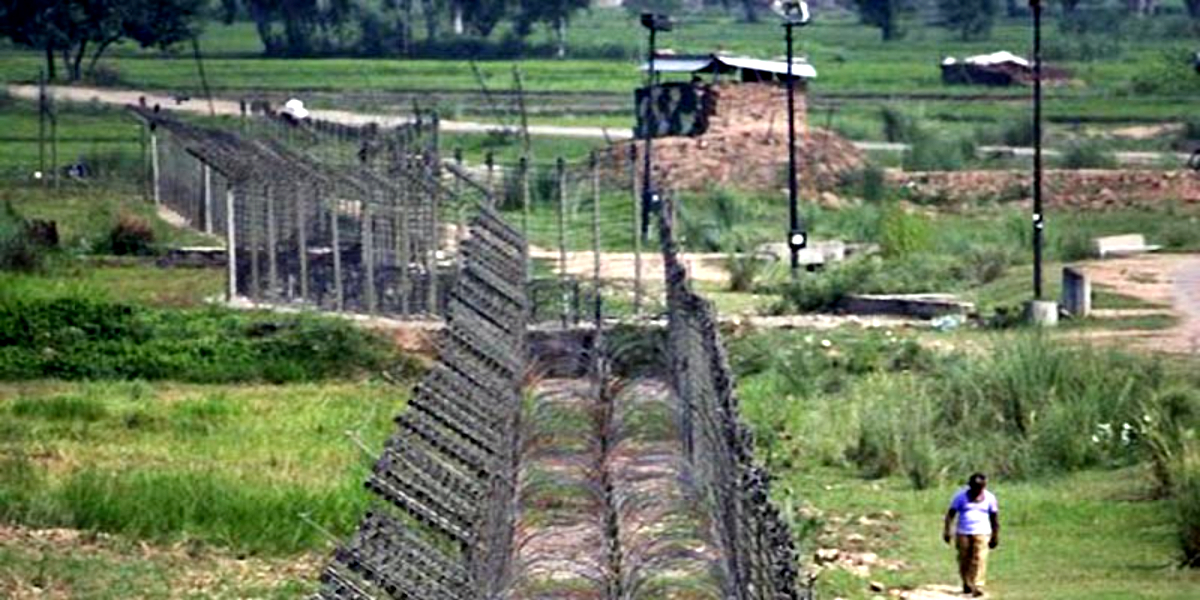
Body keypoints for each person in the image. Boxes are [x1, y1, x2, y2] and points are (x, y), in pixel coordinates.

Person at [943, 472, 999, 597]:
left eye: (979, 487)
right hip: (963, 532)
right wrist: (947, 531)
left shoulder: (990, 498)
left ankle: (977, 585)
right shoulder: (960, 497)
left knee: (979, 558)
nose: (976, 490)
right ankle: (967, 583)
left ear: (984, 486)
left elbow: (994, 518)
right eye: (974, 487)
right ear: (970, 486)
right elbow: (950, 514)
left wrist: (995, 536)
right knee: (964, 559)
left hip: (983, 532)